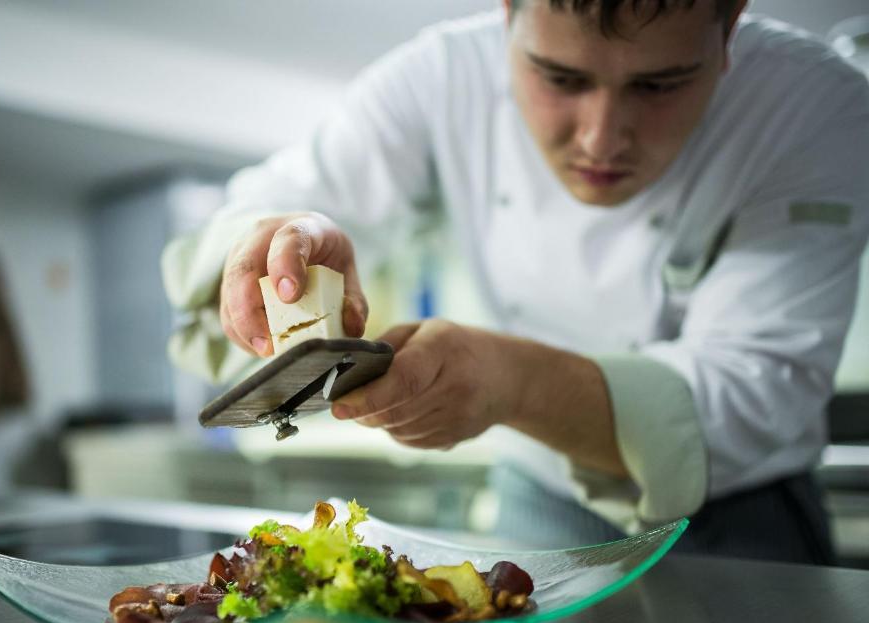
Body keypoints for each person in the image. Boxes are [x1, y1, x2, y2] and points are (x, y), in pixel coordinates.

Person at [162, 0, 869, 563]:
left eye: (660, 84)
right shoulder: (440, 77)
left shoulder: (814, 106)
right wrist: (282, 240)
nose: (602, 137)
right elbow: (276, 203)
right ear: (508, 14)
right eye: (561, 78)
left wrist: (514, 380)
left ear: (731, 22)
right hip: (539, 490)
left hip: (742, 511)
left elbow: (754, 392)